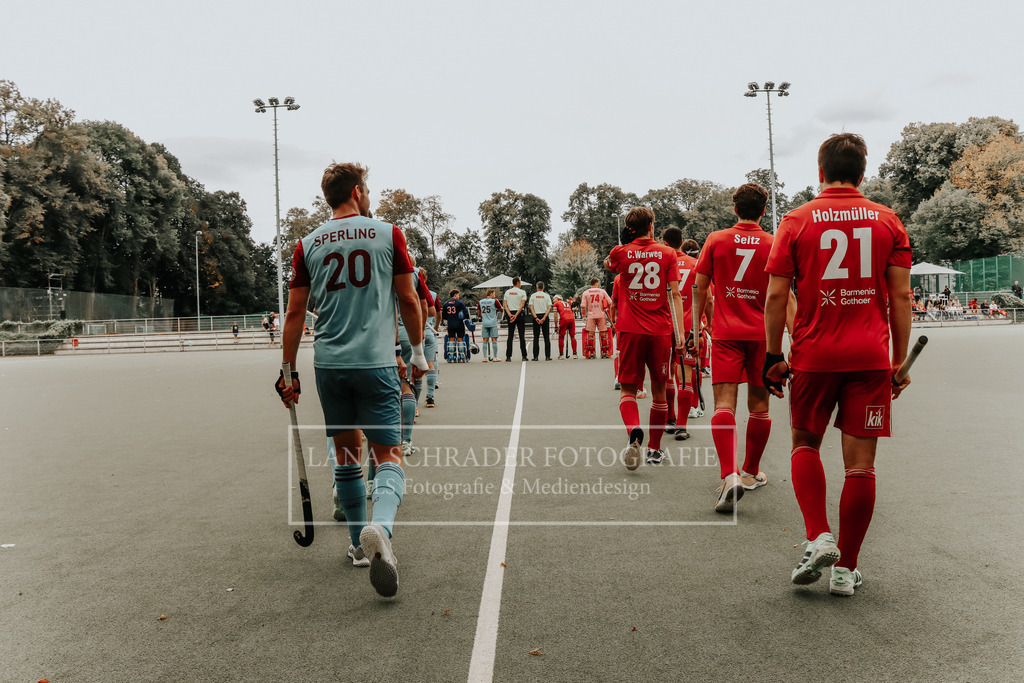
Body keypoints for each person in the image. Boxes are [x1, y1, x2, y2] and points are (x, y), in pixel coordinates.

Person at [763, 134, 912, 597]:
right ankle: (846, 571)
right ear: (863, 173)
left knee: (805, 444)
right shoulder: (888, 221)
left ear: (820, 171)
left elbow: (774, 296)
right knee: (861, 468)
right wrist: (899, 363)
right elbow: (901, 296)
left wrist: (773, 355)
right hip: (869, 357)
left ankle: (818, 535)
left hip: (814, 354)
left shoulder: (795, 220)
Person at [278, 162, 427, 598]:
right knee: (389, 454)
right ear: (358, 191)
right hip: (376, 364)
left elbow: (293, 313)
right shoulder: (387, 232)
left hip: (330, 367)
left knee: (346, 454)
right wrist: (417, 352)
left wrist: (288, 372)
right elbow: (408, 297)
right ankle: (380, 529)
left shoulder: (306, 244)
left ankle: (358, 545)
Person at [694, 183, 792, 512]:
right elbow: (785, 295)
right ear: (764, 211)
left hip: (725, 334)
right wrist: (796, 339)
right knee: (759, 408)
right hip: (763, 337)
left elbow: (701, 289)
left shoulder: (716, 240)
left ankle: (729, 475)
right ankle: (750, 472)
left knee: (724, 405)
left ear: (734, 209)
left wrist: (696, 329)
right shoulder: (773, 242)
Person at [605, 207, 686, 468]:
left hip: (630, 330)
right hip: (661, 330)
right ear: (651, 225)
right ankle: (654, 449)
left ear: (630, 228)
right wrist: (680, 332)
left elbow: (609, 265)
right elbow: (675, 294)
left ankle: (633, 430)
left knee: (628, 390)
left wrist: (614, 257)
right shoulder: (667, 253)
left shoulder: (620, 253)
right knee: (659, 391)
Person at [659, 228, 698, 441]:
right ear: (682, 242)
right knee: (686, 376)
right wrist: (705, 324)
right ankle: (682, 426)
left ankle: (670, 418)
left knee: (667, 375)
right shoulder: (694, 264)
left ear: (665, 243)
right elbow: (707, 297)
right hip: (689, 326)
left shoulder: (661, 263)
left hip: (666, 325)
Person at [581, 278, 612, 359]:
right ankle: (604, 352)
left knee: (590, 334)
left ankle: (591, 353)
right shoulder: (602, 291)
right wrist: (607, 309)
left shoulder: (586, 292)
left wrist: (583, 315)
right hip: (601, 315)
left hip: (591, 315)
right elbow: (610, 302)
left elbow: (583, 306)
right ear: (596, 283)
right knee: (603, 334)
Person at [503, 277, 529, 362]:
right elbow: (522, 305)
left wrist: (510, 314)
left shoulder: (507, 292)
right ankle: (524, 356)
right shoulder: (522, 292)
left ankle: (508, 356)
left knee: (510, 336)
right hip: (519, 314)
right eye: (520, 282)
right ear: (517, 282)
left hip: (510, 314)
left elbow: (505, 305)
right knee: (522, 335)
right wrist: (516, 315)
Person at [441, 290, 470, 362]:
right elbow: (466, 313)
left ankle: (451, 356)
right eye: (458, 295)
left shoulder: (446, 304)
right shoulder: (460, 303)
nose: (459, 296)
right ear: (455, 295)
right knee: (460, 340)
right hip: (459, 324)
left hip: (450, 324)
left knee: (451, 340)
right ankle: (461, 356)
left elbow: (444, 316)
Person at [529, 281, 554, 361]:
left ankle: (535, 357)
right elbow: (549, 307)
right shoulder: (546, 296)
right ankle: (547, 356)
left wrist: (536, 317)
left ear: (537, 287)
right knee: (546, 337)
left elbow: (531, 307)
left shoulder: (533, 296)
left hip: (536, 315)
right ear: (543, 287)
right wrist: (544, 317)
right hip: (544, 316)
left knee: (536, 337)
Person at [478, 288, 504, 362]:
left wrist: (484, 316)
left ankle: (485, 358)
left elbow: (479, 314)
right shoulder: (495, 301)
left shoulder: (480, 302)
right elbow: (501, 309)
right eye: (494, 294)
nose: (495, 295)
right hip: (493, 323)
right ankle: (495, 357)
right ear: (491, 294)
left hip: (485, 323)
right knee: (494, 340)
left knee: (485, 340)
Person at [553, 294, 578, 359]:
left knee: (561, 336)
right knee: (572, 337)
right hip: (572, 319)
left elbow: (555, 316)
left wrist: (556, 326)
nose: (553, 300)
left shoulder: (556, 304)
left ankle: (561, 355)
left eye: (554, 298)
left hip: (564, 319)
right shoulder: (567, 303)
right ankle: (575, 354)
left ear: (558, 299)